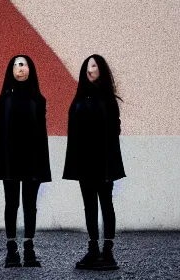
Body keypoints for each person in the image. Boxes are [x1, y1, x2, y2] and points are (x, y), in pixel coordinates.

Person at [63, 54, 125, 271]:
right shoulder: (79, 97)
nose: (91, 70)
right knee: (89, 206)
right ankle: (92, 250)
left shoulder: (108, 98)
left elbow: (115, 129)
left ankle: (108, 251)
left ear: (101, 70)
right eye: (88, 67)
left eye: (95, 66)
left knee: (106, 204)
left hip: (104, 162)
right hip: (84, 162)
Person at [0, 54, 51, 268]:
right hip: (10, 161)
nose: (20, 68)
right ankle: (11, 249)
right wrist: (0, 165)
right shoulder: (4, 99)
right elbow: (0, 136)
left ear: (30, 69)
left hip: (33, 161)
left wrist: (43, 166)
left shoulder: (38, 99)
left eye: (23, 64)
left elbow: (42, 136)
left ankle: (29, 247)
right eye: (16, 65)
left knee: (30, 205)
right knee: (11, 204)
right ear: (11, 70)